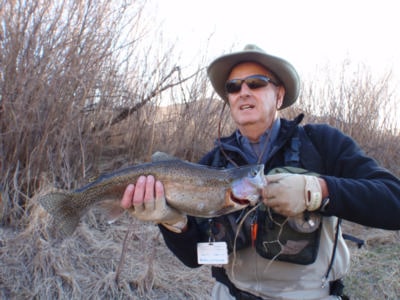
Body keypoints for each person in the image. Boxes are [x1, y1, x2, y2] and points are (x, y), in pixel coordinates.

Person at [120, 44, 400, 299]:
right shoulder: (211, 164)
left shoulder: (322, 143)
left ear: (279, 96)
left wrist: (318, 191)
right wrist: (171, 222)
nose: (244, 91)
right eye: (233, 87)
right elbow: (194, 257)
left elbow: (394, 201)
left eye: (256, 83)